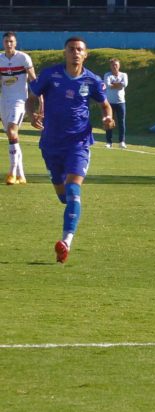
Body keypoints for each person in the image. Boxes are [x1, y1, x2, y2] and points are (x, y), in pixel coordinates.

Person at [27, 36, 114, 264]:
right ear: (64, 53)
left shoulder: (92, 80)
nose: (75, 53)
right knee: (64, 196)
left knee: (74, 190)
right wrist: (31, 114)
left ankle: (66, 242)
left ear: (86, 54)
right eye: (71, 49)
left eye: (80, 50)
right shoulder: (50, 74)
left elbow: (105, 104)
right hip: (51, 144)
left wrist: (107, 118)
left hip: (79, 143)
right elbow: (32, 96)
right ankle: (69, 210)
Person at [0, 31, 36, 185]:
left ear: (16, 43)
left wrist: (40, 101)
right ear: (3, 43)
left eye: (11, 41)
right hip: (4, 101)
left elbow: (34, 80)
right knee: (12, 137)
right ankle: (21, 174)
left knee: (11, 131)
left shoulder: (23, 58)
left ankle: (12, 173)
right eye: (6, 41)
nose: (9, 44)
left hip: (20, 100)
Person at [103, 58, 128, 149]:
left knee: (121, 122)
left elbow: (124, 84)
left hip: (121, 102)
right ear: (110, 66)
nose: (115, 67)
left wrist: (115, 84)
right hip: (109, 103)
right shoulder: (107, 75)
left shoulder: (124, 75)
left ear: (119, 66)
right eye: (113, 65)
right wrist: (118, 85)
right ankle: (109, 142)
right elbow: (108, 85)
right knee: (109, 122)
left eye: (116, 65)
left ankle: (122, 141)